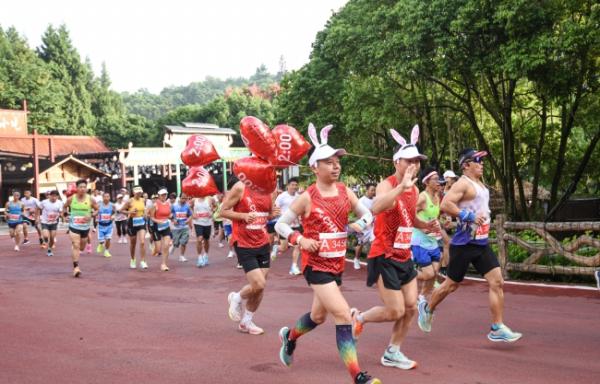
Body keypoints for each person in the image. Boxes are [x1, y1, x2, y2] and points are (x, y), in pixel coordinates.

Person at [275, 124, 380, 384]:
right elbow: (281, 224)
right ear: (314, 167)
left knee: (318, 317)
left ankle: (290, 337)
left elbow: (368, 213)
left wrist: (361, 224)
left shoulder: (345, 191)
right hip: (316, 266)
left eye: (337, 162)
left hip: (336, 265)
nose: (336, 166)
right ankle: (358, 376)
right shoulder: (307, 197)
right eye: (329, 162)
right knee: (343, 314)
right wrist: (299, 239)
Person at [350, 126, 434, 371]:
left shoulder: (416, 189)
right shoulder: (386, 185)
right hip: (384, 255)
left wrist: (425, 225)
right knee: (395, 310)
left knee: (409, 308)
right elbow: (376, 207)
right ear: (397, 162)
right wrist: (401, 187)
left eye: (417, 161)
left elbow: (409, 218)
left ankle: (393, 351)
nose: (414, 165)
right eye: (410, 161)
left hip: (404, 255)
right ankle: (360, 318)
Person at [418, 148, 523, 343]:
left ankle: (497, 327)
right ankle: (427, 308)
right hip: (464, 244)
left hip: (481, 243)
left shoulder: (480, 184)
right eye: (477, 160)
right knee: (451, 285)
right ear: (466, 165)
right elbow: (445, 205)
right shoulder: (462, 184)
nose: (481, 163)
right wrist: (469, 216)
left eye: (482, 160)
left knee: (497, 281)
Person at [221, 176, 280, 336]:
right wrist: (243, 216)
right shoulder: (240, 187)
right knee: (259, 284)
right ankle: (237, 297)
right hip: (243, 242)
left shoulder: (270, 191)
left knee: (259, 288)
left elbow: (265, 215)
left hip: (262, 241)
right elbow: (223, 211)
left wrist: (272, 214)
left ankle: (246, 322)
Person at [411, 168, 444, 302]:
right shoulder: (422, 197)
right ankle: (405, 272)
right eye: (435, 179)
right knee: (428, 273)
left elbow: (434, 217)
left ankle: (422, 297)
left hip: (432, 239)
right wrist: (422, 225)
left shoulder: (437, 197)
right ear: (427, 182)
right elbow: (409, 214)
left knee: (434, 272)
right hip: (419, 241)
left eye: (438, 178)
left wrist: (442, 223)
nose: (439, 181)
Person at [63, 179, 99, 277]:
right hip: (73, 225)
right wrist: (65, 215)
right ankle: (76, 267)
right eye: (80, 187)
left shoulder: (90, 199)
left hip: (85, 227)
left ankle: (77, 251)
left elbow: (97, 210)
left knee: (81, 247)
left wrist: (91, 215)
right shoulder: (71, 199)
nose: (83, 189)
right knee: (76, 244)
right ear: (77, 188)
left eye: (84, 187)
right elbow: (64, 207)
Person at [275, 179, 303, 275]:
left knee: (297, 245)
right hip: (285, 226)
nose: (294, 187)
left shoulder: (299, 197)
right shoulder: (281, 196)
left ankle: (294, 267)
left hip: (296, 225)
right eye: (292, 184)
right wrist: (280, 217)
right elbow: (276, 208)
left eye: (296, 185)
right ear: (288, 185)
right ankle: (276, 248)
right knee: (284, 248)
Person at [121, 186, 148, 270]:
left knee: (143, 242)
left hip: (141, 223)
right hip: (132, 223)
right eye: (137, 192)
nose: (139, 194)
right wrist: (130, 212)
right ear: (133, 193)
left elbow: (144, 209)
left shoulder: (143, 200)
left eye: (140, 192)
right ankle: (133, 259)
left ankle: (143, 261)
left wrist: (145, 214)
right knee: (133, 243)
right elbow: (121, 210)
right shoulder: (130, 201)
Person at [353, 183, 376, 270]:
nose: (374, 192)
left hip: (373, 226)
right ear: (367, 190)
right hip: (364, 226)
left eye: (374, 190)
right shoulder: (361, 201)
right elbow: (357, 212)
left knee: (374, 243)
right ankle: (356, 259)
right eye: (372, 190)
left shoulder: (375, 199)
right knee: (360, 244)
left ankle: (371, 263)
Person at [148, 188, 172, 271]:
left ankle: (164, 264)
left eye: (165, 195)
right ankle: (154, 249)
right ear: (158, 196)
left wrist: (170, 217)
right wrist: (158, 221)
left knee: (166, 245)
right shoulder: (155, 205)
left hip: (166, 227)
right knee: (158, 250)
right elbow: (151, 217)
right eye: (162, 195)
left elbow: (169, 214)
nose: (164, 196)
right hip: (156, 227)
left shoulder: (168, 204)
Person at [190, 195, 216, 267]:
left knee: (206, 240)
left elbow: (216, 206)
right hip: (198, 222)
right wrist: (193, 214)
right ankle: (199, 257)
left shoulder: (210, 199)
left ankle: (206, 255)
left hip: (207, 222)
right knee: (199, 238)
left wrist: (212, 212)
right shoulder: (194, 199)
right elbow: (189, 207)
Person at [38, 190, 64, 256]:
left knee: (52, 238)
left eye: (55, 196)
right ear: (50, 196)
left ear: (57, 196)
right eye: (52, 196)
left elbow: (61, 212)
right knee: (46, 236)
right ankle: (45, 241)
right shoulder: (44, 202)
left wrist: (62, 216)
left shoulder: (60, 203)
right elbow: (38, 208)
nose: (54, 198)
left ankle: (49, 249)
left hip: (54, 222)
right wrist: (37, 218)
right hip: (45, 221)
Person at [171, 194, 193, 262]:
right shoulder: (174, 206)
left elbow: (191, 215)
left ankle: (182, 256)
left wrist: (188, 220)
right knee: (176, 243)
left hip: (184, 226)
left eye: (185, 198)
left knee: (184, 242)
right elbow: (169, 214)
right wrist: (173, 220)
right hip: (176, 227)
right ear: (179, 198)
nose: (184, 200)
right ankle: (173, 246)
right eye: (182, 198)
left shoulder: (187, 206)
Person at [96, 192, 116, 258]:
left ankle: (106, 251)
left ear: (109, 197)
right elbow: (96, 212)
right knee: (101, 241)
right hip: (101, 225)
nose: (106, 198)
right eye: (105, 197)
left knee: (108, 239)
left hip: (109, 225)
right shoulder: (99, 205)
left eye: (108, 197)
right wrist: (96, 217)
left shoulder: (112, 205)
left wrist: (113, 216)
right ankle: (101, 244)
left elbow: (115, 213)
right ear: (102, 197)